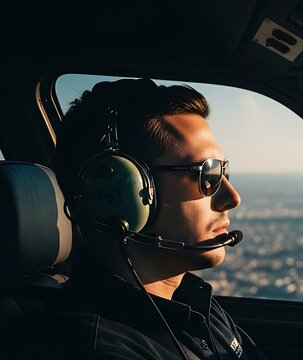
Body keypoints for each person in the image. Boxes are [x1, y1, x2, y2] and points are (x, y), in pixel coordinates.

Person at [34, 78, 265, 359]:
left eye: (223, 172)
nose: (232, 197)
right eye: (207, 175)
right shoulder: (99, 349)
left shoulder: (192, 301)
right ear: (118, 194)